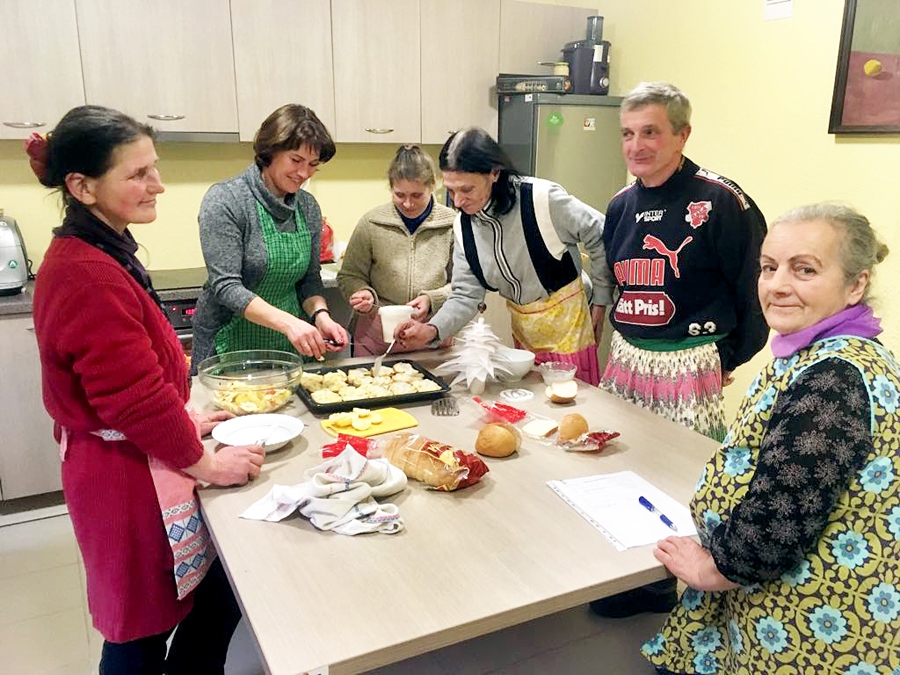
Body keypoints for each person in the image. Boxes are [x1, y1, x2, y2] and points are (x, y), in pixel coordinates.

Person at [25, 105, 265, 674]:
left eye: (153, 168)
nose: (158, 184)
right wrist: (208, 464)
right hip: (120, 480)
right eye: (138, 174)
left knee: (209, 598)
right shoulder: (87, 272)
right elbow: (132, 399)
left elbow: (134, 380)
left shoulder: (103, 249)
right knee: (139, 629)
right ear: (82, 187)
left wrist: (186, 420)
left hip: (133, 457)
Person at [643, 203, 899, 674]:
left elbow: (778, 520)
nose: (777, 285)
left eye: (805, 269)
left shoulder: (834, 381)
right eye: (768, 267)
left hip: (816, 623)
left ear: (855, 285)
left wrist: (708, 570)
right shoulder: (821, 352)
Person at [600, 82, 768, 442]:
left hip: (691, 363)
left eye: (650, 132)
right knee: (616, 457)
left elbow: (755, 291)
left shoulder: (721, 200)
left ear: (682, 135)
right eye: (628, 133)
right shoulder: (620, 205)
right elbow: (617, 281)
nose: (635, 145)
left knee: (682, 464)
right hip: (626, 357)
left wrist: (727, 357)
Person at [395, 127, 612, 385]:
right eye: (451, 191)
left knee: (570, 399)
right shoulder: (464, 227)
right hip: (524, 336)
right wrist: (431, 330)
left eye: (467, 189)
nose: (458, 201)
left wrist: (601, 301)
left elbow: (601, 233)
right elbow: (465, 295)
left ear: (494, 173)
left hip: (571, 327)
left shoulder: (541, 199)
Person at [191, 104, 349, 369]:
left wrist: (321, 316)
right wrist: (289, 323)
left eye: (313, 165)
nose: (304, 173)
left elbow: (309, 280)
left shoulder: (307, 207)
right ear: (270, 152)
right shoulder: (227, 200)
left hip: (286, 346)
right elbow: (226, 286)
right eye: (296, 160)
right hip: (230, 345)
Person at [337, 145, 455, 356]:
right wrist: (362, 293)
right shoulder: (371, 223)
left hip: (432, 333)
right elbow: (349, 275)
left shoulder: (452, 224)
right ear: (391, 188)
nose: (408, 204)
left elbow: (466, 285)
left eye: (417, 195)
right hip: (375, 335)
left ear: (432, 185)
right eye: (400, 195)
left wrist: (433, 299)